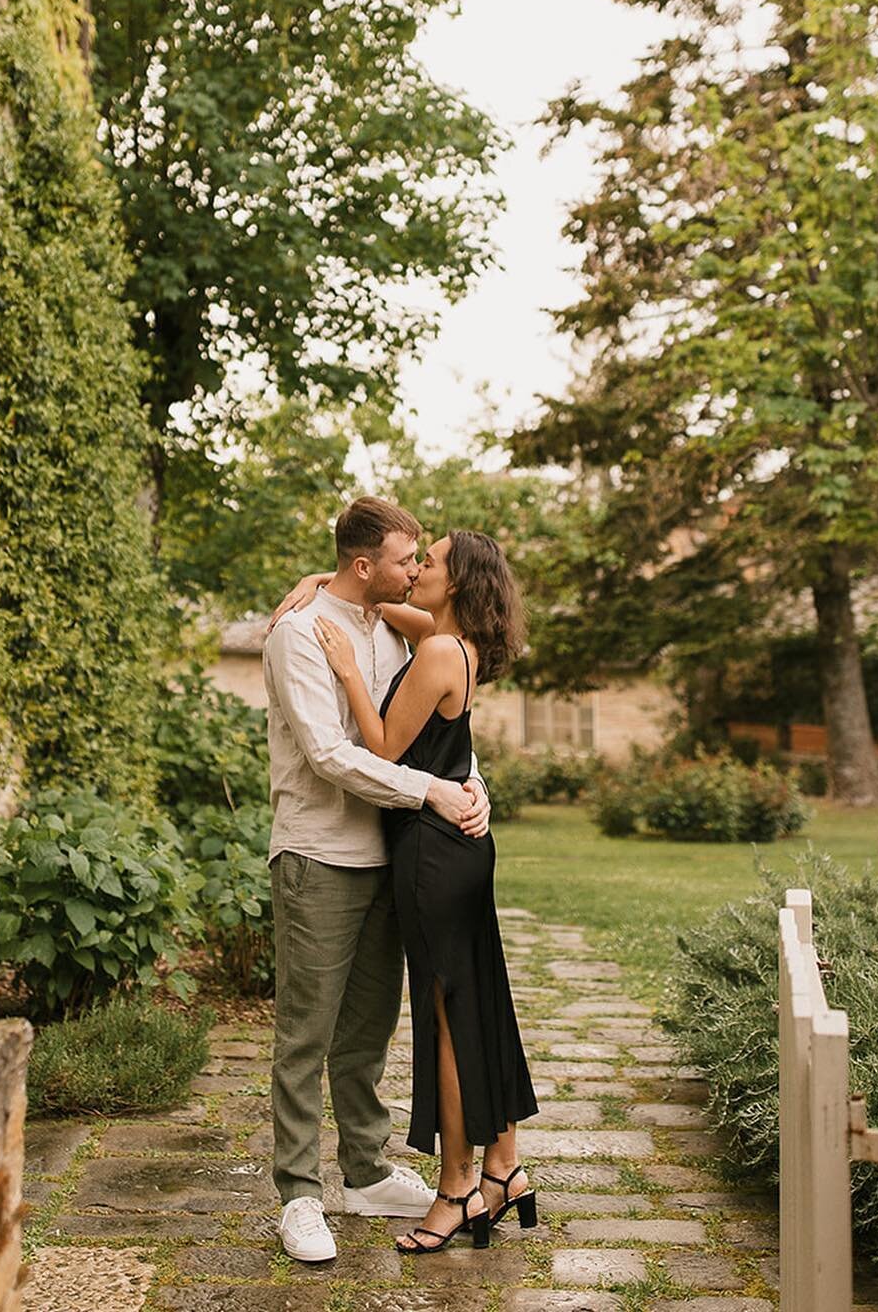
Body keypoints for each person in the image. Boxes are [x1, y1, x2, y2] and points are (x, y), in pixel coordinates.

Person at [262, 496, 493, 1266]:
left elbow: (432, 728)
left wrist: (470, 781)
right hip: (318, 855)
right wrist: (431, 792)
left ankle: (362, 1173)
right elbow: (330, 754)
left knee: (367, 1033)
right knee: (306, 1033)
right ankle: (298, 1194)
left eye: (423, 558)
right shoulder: (298, 634)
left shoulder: (393, 629)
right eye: (405, 558)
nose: (416, 568)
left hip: (389, 862)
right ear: (366, 566)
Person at [310, 529, 538, 1254]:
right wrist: (328, 580)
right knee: (479, 1002)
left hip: (428, 852)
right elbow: (396, 610)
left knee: (445, 1018)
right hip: (464, 850)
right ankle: (504, 1171)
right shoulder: (458, 645)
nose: (415, 572)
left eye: (428, 564)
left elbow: (380, 746)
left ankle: (457, 1189)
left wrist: (347, 670)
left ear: (459, 585)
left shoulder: (438, 652)